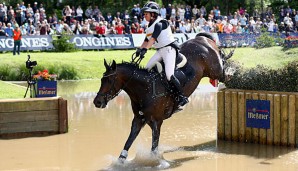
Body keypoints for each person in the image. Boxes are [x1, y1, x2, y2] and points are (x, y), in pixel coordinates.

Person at [136, 1, 188, 107]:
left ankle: (182, 97)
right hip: (160, 51)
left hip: (169, 50)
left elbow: (153, 39)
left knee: (169, 75)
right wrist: (139, 49)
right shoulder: (149, 26)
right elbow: (146, 40)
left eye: (146, 14)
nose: (144, 15)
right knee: (146, 69)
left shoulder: (160, 23)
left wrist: (145, 50)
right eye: (144, 14)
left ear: (153, 14)